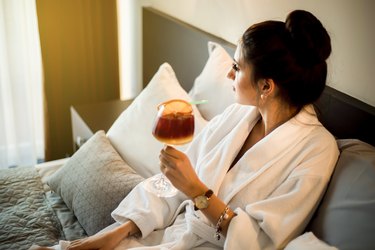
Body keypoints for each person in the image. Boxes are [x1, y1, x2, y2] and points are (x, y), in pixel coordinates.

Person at [34, 9, 339, 250]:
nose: (229, 73)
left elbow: (260, 242)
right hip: (169, 232)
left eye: (237, 67)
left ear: (266, 86)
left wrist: (197, 191)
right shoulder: (237, 115)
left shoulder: (316, 151)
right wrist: (116, 232)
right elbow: (170, 185)